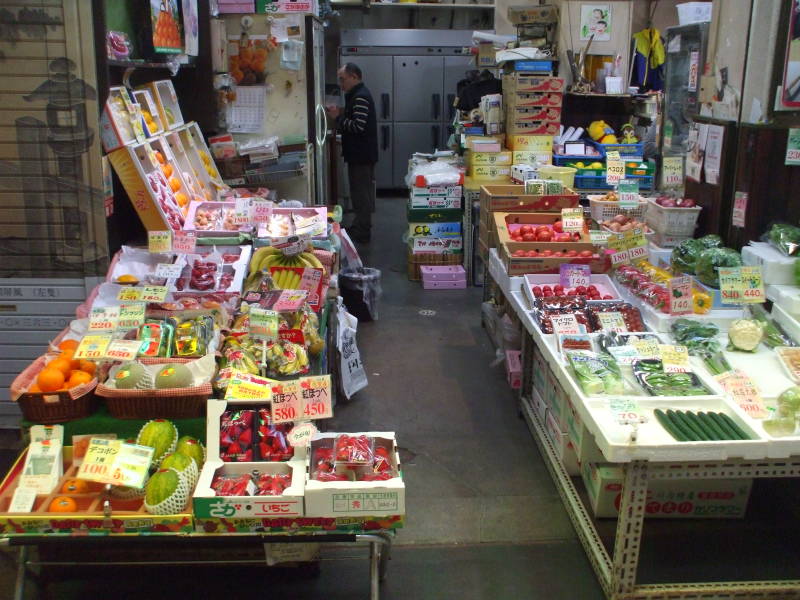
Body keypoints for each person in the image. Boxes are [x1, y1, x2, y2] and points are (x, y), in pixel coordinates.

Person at [326, 63, 378, 243]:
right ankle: (359, 225)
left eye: (343, 79)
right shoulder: (356, 95)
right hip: (359, 153)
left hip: (361, 154)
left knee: (361, 193)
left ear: (354, 77)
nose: (341, 84)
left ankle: (363, 231)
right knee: (358, 192)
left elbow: (358, 126)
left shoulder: (360, 97)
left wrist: (338, 118)